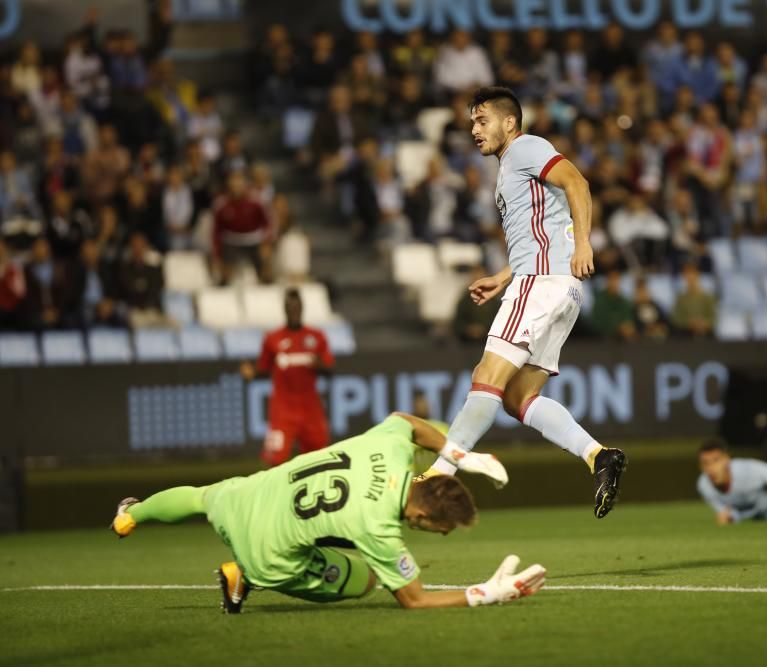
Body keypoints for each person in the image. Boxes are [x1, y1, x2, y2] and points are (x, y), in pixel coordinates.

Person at [419, 86, 627, 519]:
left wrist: (584, 243)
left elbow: (577, 182)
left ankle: (440, 475)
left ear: (509, 122)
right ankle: (598, 456)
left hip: (543, 284)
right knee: (516, 398)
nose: (474, 129)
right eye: (472, 122)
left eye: (482, 120)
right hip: (557, 288)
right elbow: (540, 232)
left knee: (486, 376)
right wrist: (502, 276)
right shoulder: (510, 166)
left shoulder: (525, 148)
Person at [110, 411, 545, 612]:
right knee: (367, 579)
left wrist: (459, 455)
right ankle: (245, 576)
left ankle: (131, 514)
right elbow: (415, 600)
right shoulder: (380, 530)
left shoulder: (390, 449)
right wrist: (487, 593)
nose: (445, 535)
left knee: (200, 496)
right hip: (269, 557)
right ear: (421, 518)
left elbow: (406, 422)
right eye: (444, 529)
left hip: (250, 495)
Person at [240, 288, 334, 467]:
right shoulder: (273, 339)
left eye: (297, 307)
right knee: (274, 461)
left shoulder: (316, 337)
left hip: (310, 408)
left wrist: (319, 365)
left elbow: (329, 369)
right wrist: (251, 373)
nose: (294, 311)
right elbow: (263, 369)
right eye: (290, 308)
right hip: (283, 409)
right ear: (285, 309)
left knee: (319, 461)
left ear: (302, 308)